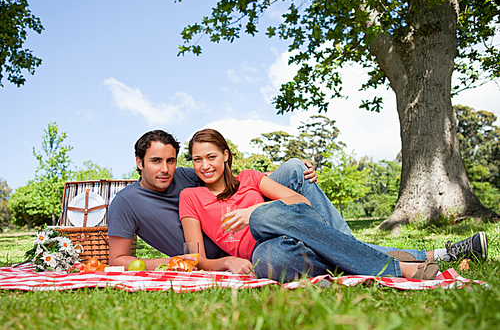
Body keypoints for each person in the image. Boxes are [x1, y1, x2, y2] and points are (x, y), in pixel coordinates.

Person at [179, 128, 488, 282]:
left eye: (211, 157)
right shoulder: (190, 198)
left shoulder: (250, 177)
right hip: (273, 250)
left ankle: (400, 270)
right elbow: (195, 258)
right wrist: (226, 262)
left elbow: (298, 203)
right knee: (270, 260)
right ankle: (441, 254)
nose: (205, 165)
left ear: (226, 156)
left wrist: (253, 212)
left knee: (260, 219)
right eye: (197, 159)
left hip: (290, 228)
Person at [107, 130, 324, 270]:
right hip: (217, 254)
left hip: (246, 226)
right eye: (155, 161)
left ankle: (340, 243)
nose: (165, 169)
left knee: (296, 168)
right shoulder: (125, 202)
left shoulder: (186, 175)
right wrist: (176, 262)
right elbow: (117, 260)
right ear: (139, 162)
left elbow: (232, 181)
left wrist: (279, 176)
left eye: (170, 161)